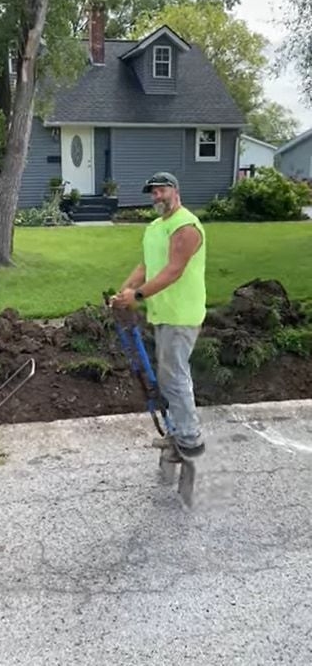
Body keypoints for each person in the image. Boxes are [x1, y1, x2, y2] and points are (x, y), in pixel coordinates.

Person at [113, 172, 206, 458]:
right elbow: (146, 266)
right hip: (161, 312)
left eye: (161, 190)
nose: (157, 196)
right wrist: (125, 290)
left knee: (175, 376)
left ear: (175, 191)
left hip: (181, 313)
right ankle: (178, 431)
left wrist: (138, 295)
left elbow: (173, 271)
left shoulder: (186, 226)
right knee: (167, 377)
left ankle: (190, 439)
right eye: (153, 192)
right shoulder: (155, 227)